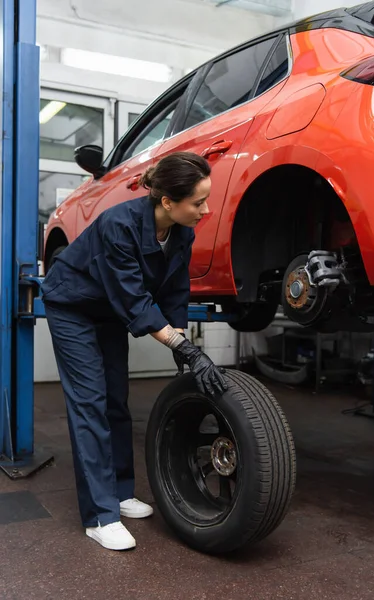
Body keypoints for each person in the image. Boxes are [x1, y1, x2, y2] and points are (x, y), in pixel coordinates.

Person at [41, 151, 227, 551]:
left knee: (116, 402)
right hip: (73, 305)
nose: (205, 210)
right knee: (90, 403)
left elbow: (175, 291)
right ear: (167, 202)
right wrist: (188, 350)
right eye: (198, 202)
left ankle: (121, 492)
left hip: (107, 309)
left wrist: (179, 342)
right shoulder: (118, 226)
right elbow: (135, 301)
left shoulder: (181, 233)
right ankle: (100, 515)